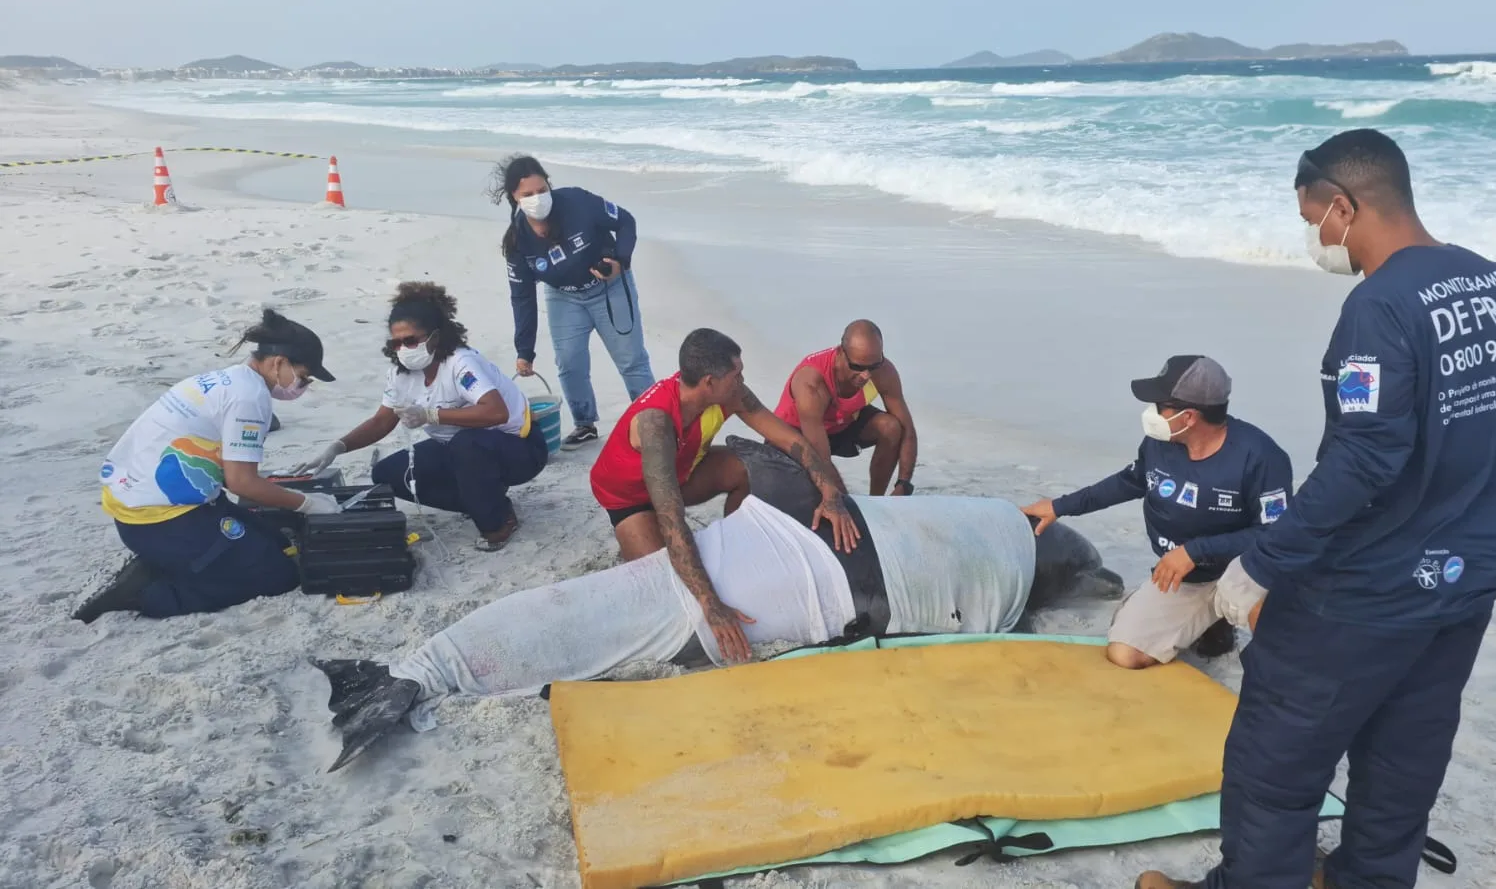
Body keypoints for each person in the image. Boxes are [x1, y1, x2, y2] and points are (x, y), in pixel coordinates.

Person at [1137, 130, 1496, 889]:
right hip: (1465, 576)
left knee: (1275, 759)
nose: (1314, 239)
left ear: (1343, 205)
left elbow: (1364, 458)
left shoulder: (1380, 306)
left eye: (1311, 220)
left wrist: (1262, 561)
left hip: (1367, 587)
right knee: (1405, 748)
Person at [311, 435, 1120, 772]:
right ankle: (417, 675)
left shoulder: (986, 519)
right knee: (639, 620)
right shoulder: (1004, 588)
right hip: (825, 584)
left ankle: (420, 670)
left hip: (797, 544)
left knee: (622, 603)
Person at [589, 327, 861, 663]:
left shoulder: (729, 393)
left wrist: (831, 491)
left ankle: (736, 544)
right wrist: (711, 603)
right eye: (736, 374)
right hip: (632, 496)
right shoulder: (656, 425)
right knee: (665, 590)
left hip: (685, 469)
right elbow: (672, 519)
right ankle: (637, 546)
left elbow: (789, 439)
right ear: (708, 383)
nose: (742, 380)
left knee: (754, 465)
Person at [1023, 355, 1293, 669]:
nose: (1152, 413)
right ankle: (1206, 621)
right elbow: (1129, 482)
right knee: (1125, 654)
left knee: (1270, 629)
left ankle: (1276, 675)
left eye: (1160, 406)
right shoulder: (1159, 444)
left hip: (1243, 569)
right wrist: (1059, 507)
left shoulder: (1262, 457)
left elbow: (1277, 534)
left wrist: (1196, 551)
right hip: (1183, 578)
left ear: (1189, 416)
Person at [74, 309, 340, 623]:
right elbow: (241, 482)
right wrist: (308, 504)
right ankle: (145, 593)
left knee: (276, 542)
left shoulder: (226, 380)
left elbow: (228, 472)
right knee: (278, 576)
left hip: (144, 501)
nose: (302, 385)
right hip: (161, 519)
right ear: (278, 362)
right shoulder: (249, 398)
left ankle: (171, 561)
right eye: (304, 376)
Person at [294, 282, 547, 552]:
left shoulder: (460, 363)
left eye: (411, 341)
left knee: (467, 445)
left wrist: (431, 415)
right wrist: (338, 447)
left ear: (435, 337)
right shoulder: (400, 374)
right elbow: (382, 421)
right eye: (396, 342)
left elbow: (496, 411)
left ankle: (497, 523)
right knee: (388, 474)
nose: (403, 348)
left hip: (518, 446)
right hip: (457, 448)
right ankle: (487, 501)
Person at [494, 154, 654, 450]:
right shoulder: (517, 241)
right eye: (527, 194)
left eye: (542, 190)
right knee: (569, 363)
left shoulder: (579, 202)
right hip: (564, 295)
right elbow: (522, 296)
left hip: (610, 288)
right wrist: (524, 351)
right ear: (514, 198)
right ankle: (585, 424)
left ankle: (653, 423)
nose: (537, 198)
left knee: (632, 361)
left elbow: (626, 221)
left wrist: (620, 260)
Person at [774, 319, 919, 496]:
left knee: (891, 427)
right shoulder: (811, 381)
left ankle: (877, 500)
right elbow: (820, 456)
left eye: (873, 366)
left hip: (840, 425)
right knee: (815, 494)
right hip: (800, 434)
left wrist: (904, 484)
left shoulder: (884, 371)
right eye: (857, 367)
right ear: (841, 353)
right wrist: (845, 502)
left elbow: (908, 430)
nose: (865, 376)